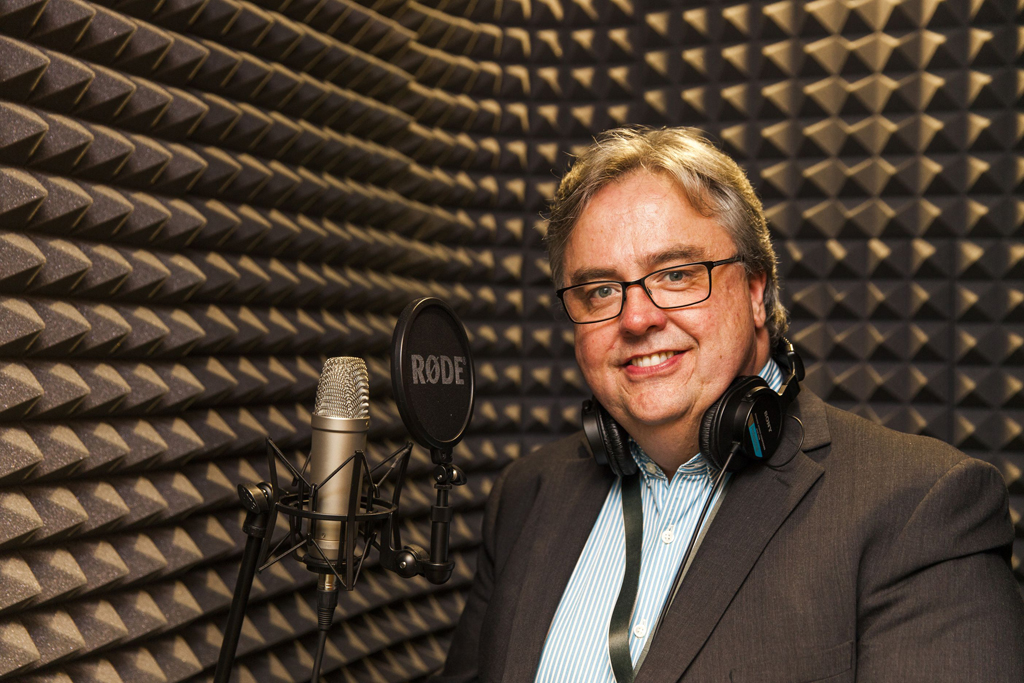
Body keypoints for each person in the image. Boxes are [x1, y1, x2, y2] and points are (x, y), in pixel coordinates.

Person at [433, 127, 1024, 682]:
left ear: (757, 290)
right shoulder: (526, 496)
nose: (636, 318)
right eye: (601, 290)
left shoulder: (923, 505)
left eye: (677, 275)